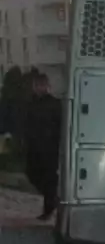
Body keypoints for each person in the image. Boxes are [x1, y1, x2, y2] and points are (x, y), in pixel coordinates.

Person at [22, 73, 62, 221]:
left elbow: (60, 126)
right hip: (34, 147)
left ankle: (49, 208)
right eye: (36, 85)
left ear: (46, 86)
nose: (38, 88)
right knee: (32, 174)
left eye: (40, 85)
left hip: (49, 148)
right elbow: (26, 122)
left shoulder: (54, 104)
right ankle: (52, 200)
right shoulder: (31, 102)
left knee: (49, 178)